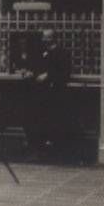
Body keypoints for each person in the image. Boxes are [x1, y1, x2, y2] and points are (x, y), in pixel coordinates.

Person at [19, 28, 72, 158]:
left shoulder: (62, 53)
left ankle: (52, 149)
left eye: (46, 37)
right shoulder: (42, 52)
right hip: (41, 94)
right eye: (43, 37)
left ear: (53, 38)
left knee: (52, 121)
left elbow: (64, 72)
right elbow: (36, 67)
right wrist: (31, 72)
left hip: (54, 94)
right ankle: (39, 148)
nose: (44, 40)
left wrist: (48, 75)